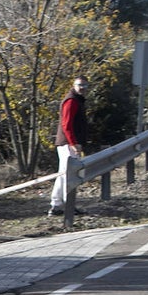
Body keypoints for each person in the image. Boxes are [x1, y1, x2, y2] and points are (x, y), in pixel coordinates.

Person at [49, 76, 89, 216]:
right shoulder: (71, 101)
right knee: (69, 175)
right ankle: (67, 205)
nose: (82, 88)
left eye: (85, 85)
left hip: (69, 143)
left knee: (64, 174)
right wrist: (73, 143)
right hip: (67, 144)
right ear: (74, 85)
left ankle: (57, 205)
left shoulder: (77, 100)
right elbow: (66, 125)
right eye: (80, 85)